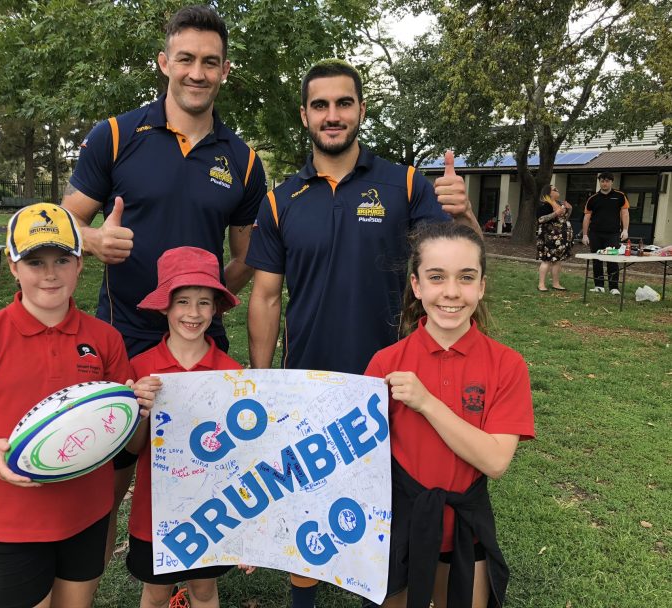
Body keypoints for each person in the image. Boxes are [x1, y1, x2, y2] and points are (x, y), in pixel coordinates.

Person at [245, 59, 479, 608]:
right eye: (321, 105)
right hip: (310, 387)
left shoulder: (403, 184)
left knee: (392, 512)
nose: (333, 115)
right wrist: (262, 382)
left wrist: (464, 214)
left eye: (343, 103)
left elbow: (457, 261)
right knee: (306, 507)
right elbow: (265, 296)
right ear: (305, 115)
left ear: (361, 110)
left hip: (395, 384)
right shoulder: (280, 200)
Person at [61, 4, 267, 562]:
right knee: (110, 476)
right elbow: (64, 223)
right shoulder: (115, 134)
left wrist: (203, 298)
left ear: (225, 70)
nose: (197, 72)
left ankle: (187, 583)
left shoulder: (243, 161)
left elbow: (246, 257)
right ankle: (87, 584)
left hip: (201, 343)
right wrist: (94, 240)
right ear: (164, 62)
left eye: (210, 62)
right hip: (123, 334)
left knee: (202, 470)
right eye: (186, 59)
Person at [0, 203, 157, 608]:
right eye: (35, 261)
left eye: (62, 260)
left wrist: (138, 411)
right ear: (13, 267)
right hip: (13, 523)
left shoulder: (105, 339)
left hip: (87, 514)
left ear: (79, 263)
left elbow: (129, 443)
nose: (50, 274)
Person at [364, 221, 535, 608]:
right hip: (398, 527)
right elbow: (358, 461)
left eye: (466, 277)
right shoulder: (386, 363)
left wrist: (426, 403)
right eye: (437, 277)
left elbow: (494, 460)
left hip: (464, 529)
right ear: (417, 285)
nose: (452, 292)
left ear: (482, 286)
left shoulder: (506, 365)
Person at [123, 246, 253, 608]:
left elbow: (241, 457)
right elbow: (133, 450)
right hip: (155, 511)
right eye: (182, 301)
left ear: (216, 308)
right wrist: (140, 413)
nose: (193, 313)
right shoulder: (141, 369)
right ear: (165, 305)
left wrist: (247, 526)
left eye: (204, 302)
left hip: (214, 509)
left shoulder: (232, 374)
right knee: (156, 592)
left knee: (204, 590)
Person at [582, 172, 630, 295]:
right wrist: (585, 235)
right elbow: (587, 217)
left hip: (613, 234)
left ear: (611, 182)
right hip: (595, 234)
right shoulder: (592, 198)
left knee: (612, 260)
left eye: (607, 181)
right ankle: (599, 286)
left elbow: (625, 213)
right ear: (599, 182)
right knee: (597, 259)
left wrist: (625, 230)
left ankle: (614, 287)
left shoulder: (620, 196)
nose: (605, 183)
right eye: (602, 181)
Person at [536, 184, 573, 292]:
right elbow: (541, 219)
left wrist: (569, 209)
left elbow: (563, 219)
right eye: (554, 189)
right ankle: (541, 284)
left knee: (558, 261)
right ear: (548, 193)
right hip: (548, 238)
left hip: (561, 239)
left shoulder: (559, 204)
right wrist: (555, 213)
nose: (557, 190)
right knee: (546, 260)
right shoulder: (545, 205)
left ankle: (556, 283)